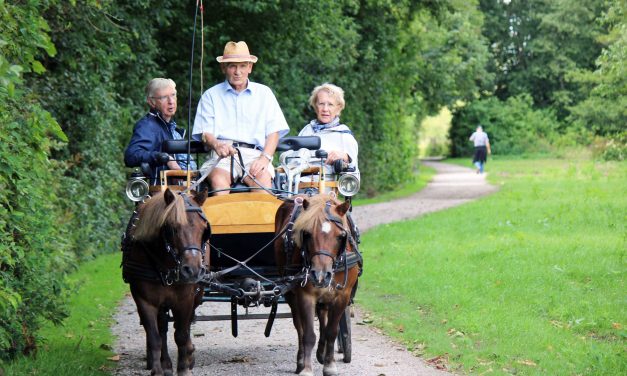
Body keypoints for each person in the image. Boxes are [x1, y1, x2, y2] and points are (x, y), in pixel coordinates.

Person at [193, 41, 289, 195]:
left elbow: (274, 132)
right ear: (223, 68)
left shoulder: (264, 93)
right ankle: (223, 220)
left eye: (243, 66)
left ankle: (262, 219)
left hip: (255, 155)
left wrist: (264, 158)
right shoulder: (210, 95)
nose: (238, 72)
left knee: (263, 182)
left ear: (250, 68)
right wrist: (217, 145)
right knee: (218, 181)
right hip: (222, 155)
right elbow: (206, 133)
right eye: (232, 66)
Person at [124, 78, 196, 184]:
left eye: (173, 95)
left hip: (184, 189)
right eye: (163, 97)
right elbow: (131, 156)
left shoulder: (171, 128)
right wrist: (164, 157)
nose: (171, 101)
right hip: (164, 194)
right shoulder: (147, 126)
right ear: (151, 102)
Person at [297, 83, 359, 179]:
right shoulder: (306, 131)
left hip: (326, 189)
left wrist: (346, 157)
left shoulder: (344, 135)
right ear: (315, 106)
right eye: (321, 104)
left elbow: (353, 176)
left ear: (338, 108)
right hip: (297, 186)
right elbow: (292, 159)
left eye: (330, 104)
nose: (325, 109)